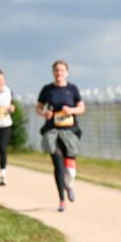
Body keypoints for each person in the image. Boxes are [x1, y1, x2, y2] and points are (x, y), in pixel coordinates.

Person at [36, 60, 85, 212]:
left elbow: (82, 108)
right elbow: (38, 108)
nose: (59, 73)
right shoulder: (47, 89)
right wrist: (45, 113)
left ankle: (69, 185)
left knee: (70, 171)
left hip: (70, 132)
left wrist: (71, 110)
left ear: (67, 72)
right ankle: (61, 200)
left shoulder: (72, 89)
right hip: (52, 131)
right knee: (58, 165)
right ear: (53, 72)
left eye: (62, 70)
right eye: (56, 70)